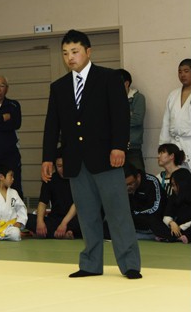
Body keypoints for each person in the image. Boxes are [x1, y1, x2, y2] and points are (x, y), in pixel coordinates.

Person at [41, 29, 141, 279]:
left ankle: (129, 264)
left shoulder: (108, 79)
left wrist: (119, 146)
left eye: (74, 52)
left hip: (107, 157)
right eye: (65, 53)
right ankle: (90, 264)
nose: (70, 57)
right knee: (86, 215)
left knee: (118, 213)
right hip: (76, 160)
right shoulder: (59, 87)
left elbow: (120, 116)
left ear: (88, 51)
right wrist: (47, 157)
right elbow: (52, 125)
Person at [26, 152, 80, 239]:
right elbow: (42, 203)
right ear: (55, 166)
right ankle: (63, 234)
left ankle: (55, 234)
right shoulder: (50, 180)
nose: (63, 169)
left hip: (72, 219)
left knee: (86, 221)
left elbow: (77, 204)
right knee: (27, 218)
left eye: (65, 165)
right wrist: (40, 222)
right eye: (59, 166)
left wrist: (64, 224)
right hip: (55, 219)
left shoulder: (77, 179)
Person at [122, 163, 166, 240]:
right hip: (132, 219)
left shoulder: (151, 182)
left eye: (130, 184)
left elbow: (155, 208)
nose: (128, 187)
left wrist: (135, 214)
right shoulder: (122, 185)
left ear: (138, 177)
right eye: (125, 185)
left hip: (149, 218)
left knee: (153, 221)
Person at [159, 59, 191, 164]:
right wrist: (163, 147)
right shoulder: (173, 95)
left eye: (186, 71)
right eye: (180, 72)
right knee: (178, 177)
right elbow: (166, 123)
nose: (182, 75)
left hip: (189, 141)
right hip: (175, 145)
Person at [152, 168, 191, 243]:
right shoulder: (173, 197)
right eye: (171, 185)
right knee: (155, 222)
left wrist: (180, 227)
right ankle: (177, 236)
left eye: (174, 185)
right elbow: (167, 215)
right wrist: (172, 223)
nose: (172, 188)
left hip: (186, 227)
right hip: (176, 226)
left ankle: (173, 237)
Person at [118, 69, 146, 171]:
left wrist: (117, 119)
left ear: (126, 83)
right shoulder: (111, 99)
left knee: (139, 178)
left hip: (133, 147)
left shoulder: (138, 98)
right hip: (115, 148)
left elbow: (137, 119)